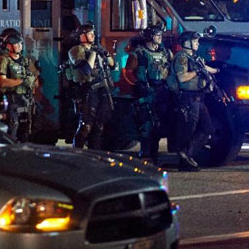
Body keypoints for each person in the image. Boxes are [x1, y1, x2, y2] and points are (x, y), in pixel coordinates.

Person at [124, 25, 173, 161]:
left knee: (159, 126)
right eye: (157, 35)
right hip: (146, 92)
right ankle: (145, 155)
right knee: (147, 126)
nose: (160, 37)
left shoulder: (165, 53)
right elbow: (127, 72)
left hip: (162, 91)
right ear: (150, 36)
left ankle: (154, 155)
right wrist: (138, 85)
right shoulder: (138, 54)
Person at [173, 31, 217, 171]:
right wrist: (197, 72)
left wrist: (218, 69)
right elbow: (181, 77)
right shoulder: (181, 58)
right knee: (188, 130)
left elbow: (205, 68)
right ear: (187, 43)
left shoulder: (195, 57)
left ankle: (187, 155)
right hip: (188, 98)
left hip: (198, 97)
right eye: (195, 41)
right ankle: (185, 160)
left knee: (207, 128)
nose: (197, 43)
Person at [68, 23, 115, 149]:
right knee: (86, 125)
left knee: (99, 126)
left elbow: (112, 64)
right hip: (87, 90)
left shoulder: (97, 49)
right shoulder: (76, 50)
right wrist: (93, 53)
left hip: (101, 90)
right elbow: (86, 69)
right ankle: (77, 153)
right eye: (89, 33)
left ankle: (95, 154)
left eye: (93, 33)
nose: (92, 35)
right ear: (81, 36)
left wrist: (105, 53)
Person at [0, 32, 37, 141]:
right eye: (17, 44)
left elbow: (36, 82)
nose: (20, 46)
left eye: (20, 44)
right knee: (12, 129)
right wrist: (21, 81)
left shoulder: (26, 61)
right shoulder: (3, 59)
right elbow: (2, 81)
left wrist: (30, 81)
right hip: (12, 100)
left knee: (27, 131)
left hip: (26, 100)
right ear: (9, 46)